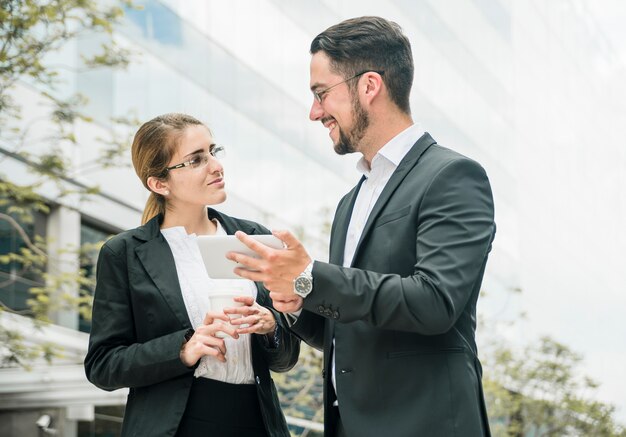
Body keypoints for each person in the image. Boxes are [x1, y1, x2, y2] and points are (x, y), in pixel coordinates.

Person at [228, 16, 495, 437]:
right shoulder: (349, 203)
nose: (315, 112)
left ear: (369, 86)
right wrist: (295, 298)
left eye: (321, 94)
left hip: (426, 425)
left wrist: (310, 275)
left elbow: (435, 301)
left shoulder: (453, 175)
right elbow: (347, 331)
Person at [84, 113, 300, 437]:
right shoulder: (124, 253)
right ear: (159, 183)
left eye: (214, 151)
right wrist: (184, 348)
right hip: (177, 425)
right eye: (197, 159)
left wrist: (271, 327)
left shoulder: (252, 237)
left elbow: (285, 358)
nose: (216, 165)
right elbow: (103, 365)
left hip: (256, 420)